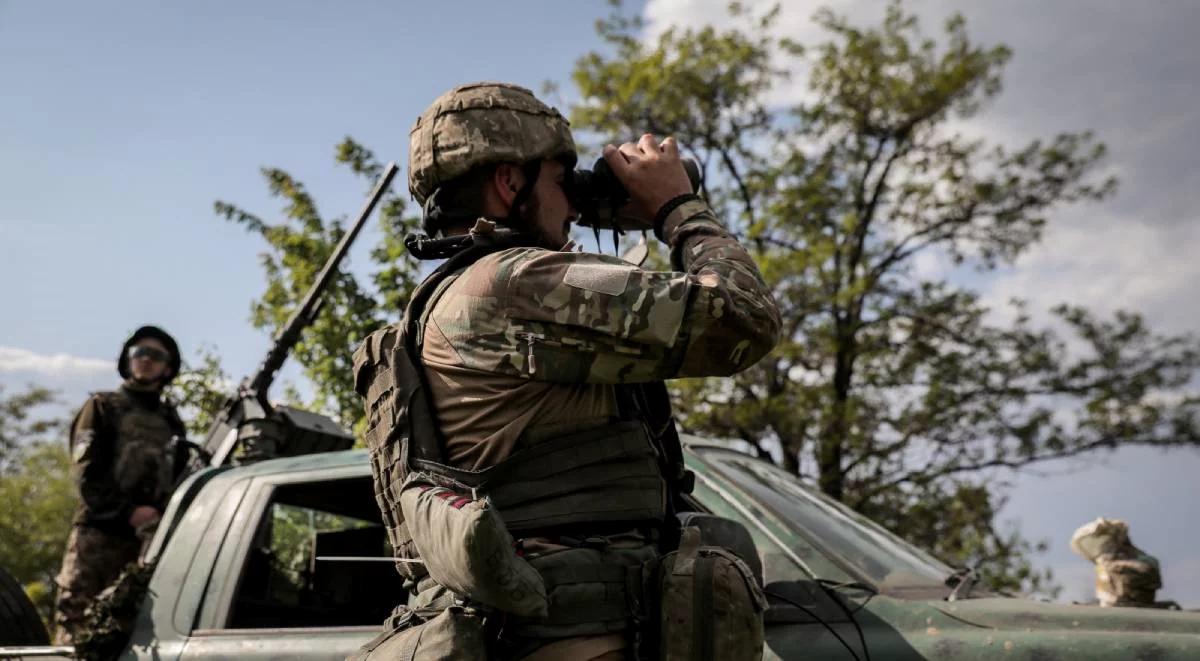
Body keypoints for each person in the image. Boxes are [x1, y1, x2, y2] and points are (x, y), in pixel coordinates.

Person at [353, 81, 781, 659]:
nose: (574, 204)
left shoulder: (450, 299)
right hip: (584, 640)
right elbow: (742, 320)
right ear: (509, 182)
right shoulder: (514, 283)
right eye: (562, 180)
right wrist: (677, 208)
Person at [53, 325, 188, 646]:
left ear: (168, 367)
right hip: (97, 539)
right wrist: (127, 512)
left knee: (130, 636)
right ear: (127, 360)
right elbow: (86, 475)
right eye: (138, 353)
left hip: (146, 547)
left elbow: (181, 481)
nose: (145, 360)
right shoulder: (102, 407)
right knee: (77, 631)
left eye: (155, 355)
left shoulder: (172, 422)